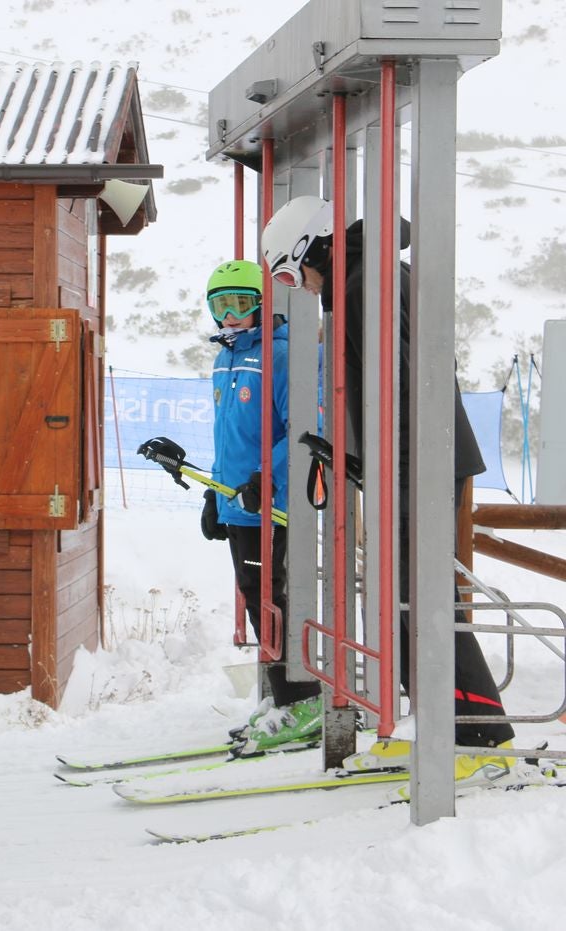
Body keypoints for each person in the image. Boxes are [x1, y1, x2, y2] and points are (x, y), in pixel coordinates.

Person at [260, 195, 515, 780]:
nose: (297, 287)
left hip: (418, 462)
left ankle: (479, 733)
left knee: (417, 599)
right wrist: (359, 456)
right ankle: (441, 723)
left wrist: (384, 461)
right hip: (415, 459)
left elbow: (399, 385)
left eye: (291, 272)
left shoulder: (358, 288)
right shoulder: (368, 277)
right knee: (402, 598)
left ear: (315, 246)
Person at [200, 259, 323, 756]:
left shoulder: (283, 355)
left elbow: (302, 428)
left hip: (270, 503)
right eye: (220, 306)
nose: (230, 317)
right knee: (256, 599)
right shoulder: (225, 358)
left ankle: (306, 700)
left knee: (276, 601)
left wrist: (264, 481)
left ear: (264, 306)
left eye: (241, 304)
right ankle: (281, 699)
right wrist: (216, 491)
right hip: (238, 503)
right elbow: (228, 434)